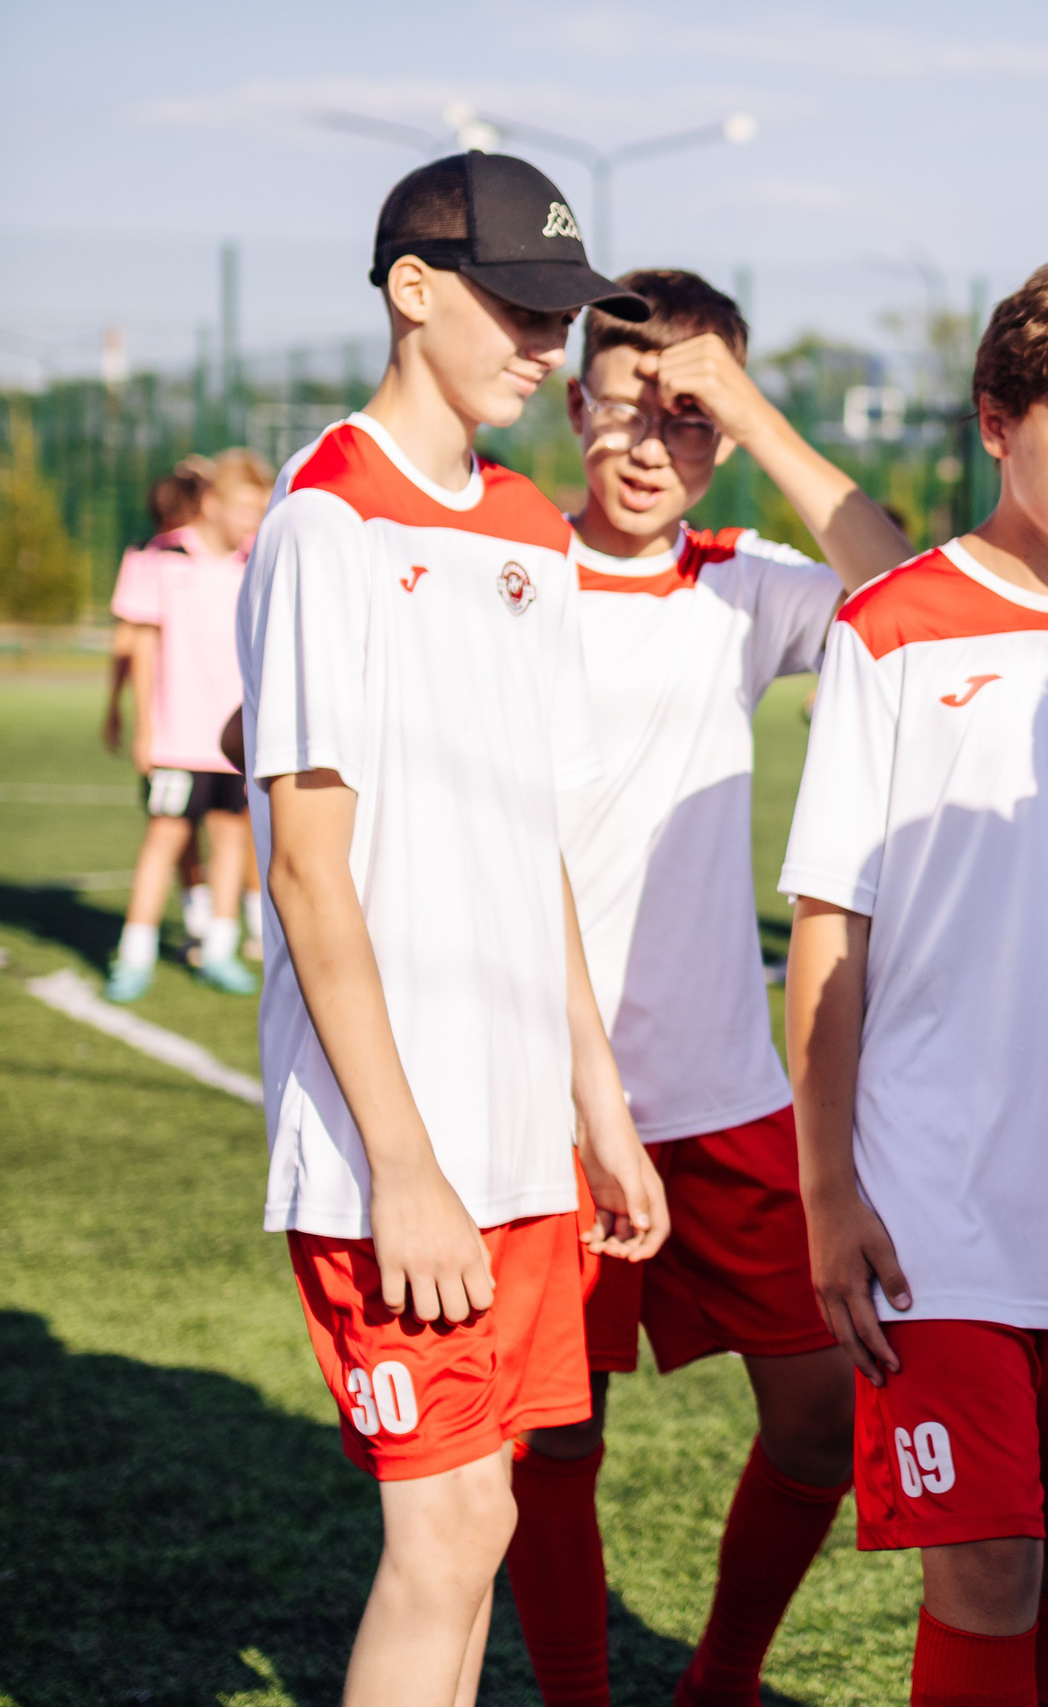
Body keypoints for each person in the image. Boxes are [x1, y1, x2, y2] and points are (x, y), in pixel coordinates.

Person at [236, 152, 668, 1707]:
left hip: (518, 1141)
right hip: (389, 1150)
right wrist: (401, 1167)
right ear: (413, 291)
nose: (547, 347)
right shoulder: (326, 521)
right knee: (443, 1530)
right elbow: (304, 870)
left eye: (561, 316)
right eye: (517, 307)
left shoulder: (530, 529)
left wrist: (596, 1105)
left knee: (480, 1520)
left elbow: (525, 840)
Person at [779, 257, 1048, 1707]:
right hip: (936, 1205)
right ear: (995, 420)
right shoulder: (890, 626)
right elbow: (831, 933)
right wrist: (830, 1190)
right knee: (987, 1565)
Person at [502, 269, 915, 1707]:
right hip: (539, 1097)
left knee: (820, 1417)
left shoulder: (741, 586)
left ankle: (721, 1679)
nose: (647, 445)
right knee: (552, 1435)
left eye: (686, 421)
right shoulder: (507, 568)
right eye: (624, 408)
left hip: (729, 1097)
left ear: (722, 438)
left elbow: (898, 581)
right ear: (572, 405)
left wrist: (749, 404)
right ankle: (572, 1691)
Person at [103, 447, 272, 1001]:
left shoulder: (255, 563)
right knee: (165, 840)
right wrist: (145, 727)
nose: (253, 520)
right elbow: (143, 646)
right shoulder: (164, 557)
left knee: (230, 839)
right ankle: (134, 954)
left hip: (234, 741)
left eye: (260, 509)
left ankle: (219, 949)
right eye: (246, 508)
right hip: (178, 738)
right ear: (213, 502)